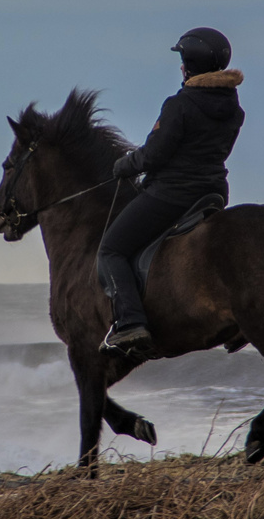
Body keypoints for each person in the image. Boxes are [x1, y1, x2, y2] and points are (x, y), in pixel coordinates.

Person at [98, 27, 244, 359]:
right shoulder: (234, 109)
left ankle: (131, 324)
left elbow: (154, 155)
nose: (180, 66)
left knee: (111, 250)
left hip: (173, 195)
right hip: (213, 193)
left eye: (182, 59)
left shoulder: (179, 104)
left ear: (189, 65)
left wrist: (126, 164)